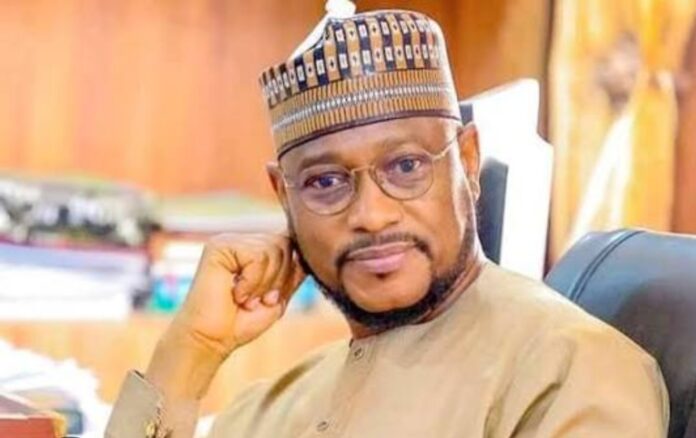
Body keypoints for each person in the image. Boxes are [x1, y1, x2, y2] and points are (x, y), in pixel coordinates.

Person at [106, 8, 669, 438]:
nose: (371, 215)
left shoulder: (573, 371)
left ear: (468, 161)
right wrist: (192, 350)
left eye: (406, 167)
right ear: (284, 198)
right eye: (326, 182)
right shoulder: (272, 407)